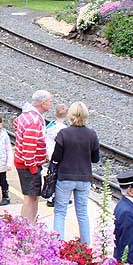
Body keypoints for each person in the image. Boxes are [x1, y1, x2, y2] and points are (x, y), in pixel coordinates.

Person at [50, 102, 100, 244]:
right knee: (82, 213)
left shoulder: (64, 133)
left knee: (60, 212)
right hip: (84, 178)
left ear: (70, 116)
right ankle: (86, 245)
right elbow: (95, 159)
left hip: (65, 177)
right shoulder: (92, 134)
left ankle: (58, 245)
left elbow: (56, 158)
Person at [13, 90, 52, 222]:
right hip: (29, 165)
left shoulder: (26, 115)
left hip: (24, 163)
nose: (51, 104)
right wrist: (33, 167)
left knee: (32, 196)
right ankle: (26, 226)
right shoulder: (34, 121)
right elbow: (29, 148)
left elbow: (15, 124)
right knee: (30, 197)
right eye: (50, 101)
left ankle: (31, 224)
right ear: (43, 103)